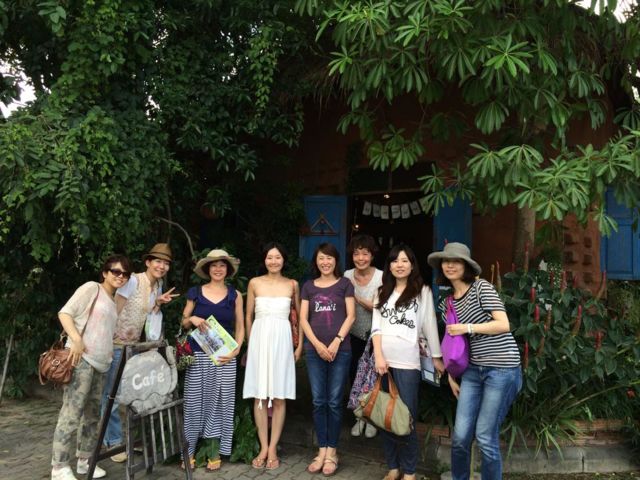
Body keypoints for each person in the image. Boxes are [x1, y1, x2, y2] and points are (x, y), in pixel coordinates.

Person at [427, 242, 522, 480]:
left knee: (485, 436)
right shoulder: (447, 302)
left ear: (466, 266)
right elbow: (455, 345)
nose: (450, 265)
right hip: (472, 371)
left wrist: (468, 327)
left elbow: (503, 324)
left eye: (456, 261)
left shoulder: (482, 288)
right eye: (446, 261)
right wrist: (451, 376)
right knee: (460, 436)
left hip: (501, 369)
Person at [51, 254, 132, 480]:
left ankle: (85, 461)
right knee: (71, 413)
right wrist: (76, 339)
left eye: (125, 274)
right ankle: (59, 467)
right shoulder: (91, 288)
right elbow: (65, 313)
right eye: (115, 271)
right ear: (105, 273)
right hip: (81, 361)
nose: (120, 276)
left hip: (101, 365)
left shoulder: (113, 301)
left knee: (93, 416)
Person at [371, 244, 444, 480]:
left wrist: (436, 356)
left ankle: (410, 471)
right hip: (383, 363)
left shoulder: (422, 291)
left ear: (412, 265)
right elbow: (376, 328)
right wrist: (379, 356)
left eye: (404, 261)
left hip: (408, 363)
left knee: (406, 418)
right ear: (389, 266)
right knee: (385, 417)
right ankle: (393, 467)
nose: (399, 265)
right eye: (395, 261)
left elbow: (429, 325)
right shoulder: (381, 292)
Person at [100, 243, 177, 462]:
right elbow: (113, 307)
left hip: (135, 348)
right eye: (158, 261)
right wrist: (105, 340)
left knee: (132, 394)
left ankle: (129, 439)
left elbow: (146, 315)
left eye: (166, 263)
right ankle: (113, 443)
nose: (162, 266)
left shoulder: (157, 285)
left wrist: (158, 303)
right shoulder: (133, 280)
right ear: (148, 262)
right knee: (112, 395)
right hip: (116, 344)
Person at [181, 249, 245, 471]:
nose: (218, 269)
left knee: (220, 403)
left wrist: (236, 350)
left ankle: (213, 450)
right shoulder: (195, 292)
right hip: (198, 355)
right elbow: (183, 321)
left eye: (222, 265)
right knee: (193, 402)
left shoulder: (235, 295)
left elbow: (240, 326)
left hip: (224, 356)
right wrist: (192, 318)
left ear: (228, 269)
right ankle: (188, 450)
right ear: (208, 269)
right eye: (214, 265)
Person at [242, 242, 302, 470]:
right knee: (259, 396)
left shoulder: (292, 284)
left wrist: (299, 346)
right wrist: (251, 343)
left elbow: (299, 318)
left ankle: (273, 447)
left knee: (279, 396)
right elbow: (248, 316)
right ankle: (263, 447)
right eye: (269, 257)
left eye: (277, 257)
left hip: (283, 343)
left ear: (283, 260)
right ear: (264, 260)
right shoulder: (254, 283)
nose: (273, 261)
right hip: (259, 341)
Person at [299, 242, 355, 476]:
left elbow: (351, 316)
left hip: (340, 351)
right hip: (315, 352)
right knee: (318, 401)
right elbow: (303, 319)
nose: (325, 262)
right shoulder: (308, 286)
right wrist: (317, 345)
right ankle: (321, 450)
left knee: (333, 401)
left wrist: (336, 341)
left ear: (336, 261)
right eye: (321, 258)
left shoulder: (345, 284)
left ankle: (332, 452)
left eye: (329, 258)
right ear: (316, 261)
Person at [343, 234, 383, 439]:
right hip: (353, 334)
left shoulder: (381, 277)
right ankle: (359, 417)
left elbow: (381, 307)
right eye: (356, 253)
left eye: (365, 253)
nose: (360, 258)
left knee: (374, 377)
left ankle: (372, 418)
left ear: (372, 255)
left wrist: (356, 297)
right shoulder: (347, 275)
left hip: (375, 335)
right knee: (355, 375)